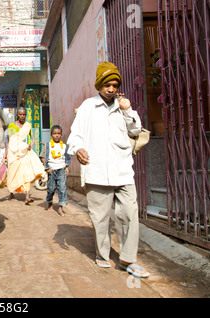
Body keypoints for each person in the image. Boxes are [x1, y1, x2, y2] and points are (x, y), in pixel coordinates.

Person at [66, 61, 150, 278]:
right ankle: (103, 254)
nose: (111, 89)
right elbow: (75, 135)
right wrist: (78, 149)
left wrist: (128, 109)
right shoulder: (87, 107)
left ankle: (127, 259)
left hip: (123, 170)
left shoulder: (122, 107)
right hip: (97, 171)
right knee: (100, 218)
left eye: (114, 85)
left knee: (130, 215)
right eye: (107, 85)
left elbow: (136, 130)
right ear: (99, 85)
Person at [5, 107, 45, 205]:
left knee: (26, 172)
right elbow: (9, 141)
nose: (22, 116)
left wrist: (31, 144)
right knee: (12, 172)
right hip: (13, 152)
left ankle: (27, 196)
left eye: (24, 115)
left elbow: (32, 138)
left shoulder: (28, 126)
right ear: (17, 115)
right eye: (20, 114)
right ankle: (11, 192)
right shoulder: (12, 126)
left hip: (24, 151)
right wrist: (6, 154)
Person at [40, 125, 71, 216]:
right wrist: (47, 167)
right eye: (54, 134)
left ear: (61, 135)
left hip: (61, 169)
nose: (56, 135)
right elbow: (42, 157)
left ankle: (61, 207)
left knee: (62, 188)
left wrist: (67, 167)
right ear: (51, 135)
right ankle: (49, 202)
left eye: (58, 133)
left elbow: (67, 158)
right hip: (52, 169)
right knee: (51, 189)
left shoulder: (64, 146)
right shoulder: (48, 145)